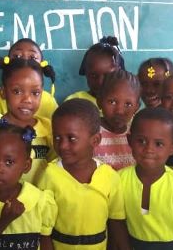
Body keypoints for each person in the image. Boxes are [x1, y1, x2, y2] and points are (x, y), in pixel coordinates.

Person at [38, 99, 130, 250]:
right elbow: (44, 231)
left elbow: (116, 223)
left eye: (71, 138)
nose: (62, 145)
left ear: (95, 140)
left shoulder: (109, 176)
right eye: (57, 137)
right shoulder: (50, 174)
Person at [0, 119, 57, 250]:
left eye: (9, 162)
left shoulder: (38, 201)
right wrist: (4, 221)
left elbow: (45, 241)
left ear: (26, 165)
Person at [119, 107, 173, 249]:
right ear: (129, 140)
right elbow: (117, 222)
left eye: (158, 144)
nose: (149, 149)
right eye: (141, 141)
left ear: (172, 148)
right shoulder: (119, 179)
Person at [0, 57, 56, 184]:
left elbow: (56, 169)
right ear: (3, 92)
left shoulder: (49, 130)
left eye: (35, 93)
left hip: (39, 201)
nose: (27, 99)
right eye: (17, 91)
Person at [0, 38, 58, 120]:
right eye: (17, 56)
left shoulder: (48, 102)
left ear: (42, 64)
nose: (24, 60)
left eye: (32, 58)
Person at [95, 70, 140, 170]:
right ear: (99, 102)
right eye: (112, 102)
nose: (119, 111)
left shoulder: (136, 133)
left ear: (137, 107)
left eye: (128, 104)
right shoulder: (91, 131)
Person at [65, 36, 124, 106]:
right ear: (85, 73)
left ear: (119, 74)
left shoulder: (126, 103)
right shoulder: (75, 103)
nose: (100, 82)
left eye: (107, 76)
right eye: (93, 75)